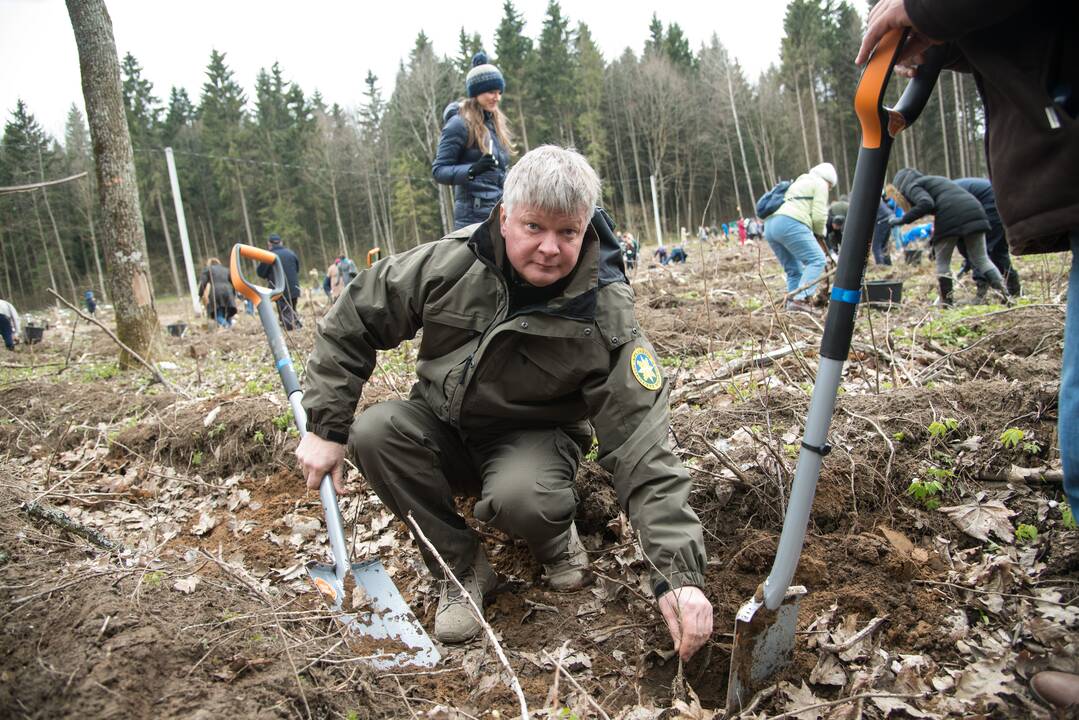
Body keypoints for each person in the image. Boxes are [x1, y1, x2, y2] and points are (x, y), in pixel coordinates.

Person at [295, 145, 712, 659]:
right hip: (442, 424)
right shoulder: (451, 262)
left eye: (568, 232)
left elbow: (642, 445)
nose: (550, 249)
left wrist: (678, 576)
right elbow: (357, 315)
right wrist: (325, 427)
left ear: (586, 230)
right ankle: (461, 568)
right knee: (375, 432)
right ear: (504, 217)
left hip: (533, 440)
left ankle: (554, 538)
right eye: (534, 227)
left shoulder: (602, 312)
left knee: (524, 499)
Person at [859, 0, 1078, 709]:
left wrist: (917, 9)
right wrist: (932, 40)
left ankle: (995, 288)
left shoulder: (925, 189)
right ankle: (989, 288)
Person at [890, 168, 1009, 306]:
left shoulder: (911, 186)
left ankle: (947, 303)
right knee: (981, 258)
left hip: (950, 215)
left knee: (943, 264)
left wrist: (902, 220)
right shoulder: (933, 181)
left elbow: (926, 203)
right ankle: (1006, 295)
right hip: (976, 211)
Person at [432, 51, 513, 230]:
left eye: (499, 92)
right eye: (492, 91)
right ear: (477, 92)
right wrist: (472, 170)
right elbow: (439, 170)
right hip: (472, 219)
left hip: (499, 213)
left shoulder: (494, 125)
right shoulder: (458, 125)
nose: (497, 97)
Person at [764, 162, 836, 312]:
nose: (829, 190)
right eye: (830, 187)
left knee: (794, 269)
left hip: (770, 225)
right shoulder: (821, 183)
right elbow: (819, 215)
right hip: (788, 222)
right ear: (829, 181)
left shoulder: (801, 180)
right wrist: (820, 234)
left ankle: (792, 303)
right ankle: (801, 299)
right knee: (817, 259)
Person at [954, 177, 1021, 300]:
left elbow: (958, 232)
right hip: (999, 200)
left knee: (979, 251)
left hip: (990, 203)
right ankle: (1014, 288)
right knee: (998, 250)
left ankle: (981, 293)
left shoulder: (943, 197)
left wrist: (969, 257)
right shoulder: (946, 191)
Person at [257, 233, 302, 330]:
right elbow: (297, 269)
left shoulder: (268, 256)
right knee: (291, 309)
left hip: (280, 288)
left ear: (269, 244)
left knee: (285, 312)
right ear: (281, 242)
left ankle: (293, 328)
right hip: (294, 288)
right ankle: (295, 324)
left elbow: (260, 273)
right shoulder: (291, 253)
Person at [197, 258, 236, 329]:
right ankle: (230, 327)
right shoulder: (226, 270)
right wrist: (233, 294)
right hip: (229, 292)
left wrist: (200, 295)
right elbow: (233, 283)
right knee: (228, 314)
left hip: (216, 293)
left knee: (217, 315)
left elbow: (203, 283)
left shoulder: (208, 269)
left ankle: (226, 326)